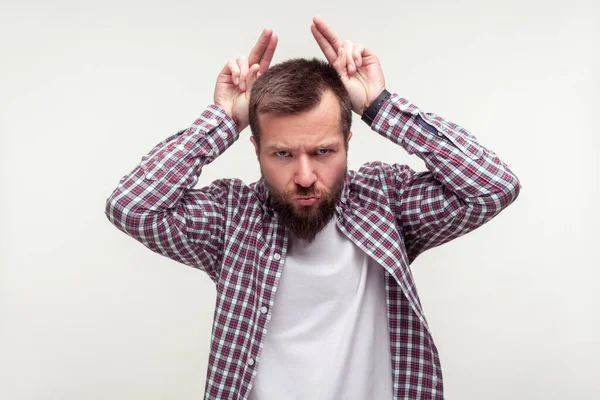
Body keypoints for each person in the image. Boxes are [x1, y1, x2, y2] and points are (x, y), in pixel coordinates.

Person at [106, 16, 520, 400]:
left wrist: (381, 106)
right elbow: (132, 208)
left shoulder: (385, 202)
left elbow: (492, 187)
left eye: (323, 151)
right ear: (255, 148)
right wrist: (222, 120)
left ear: (348, 142)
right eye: (283, 154)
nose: (305, 176)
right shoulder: (231, 218)